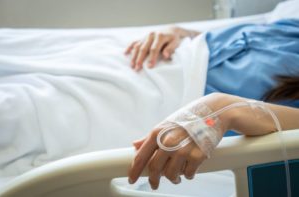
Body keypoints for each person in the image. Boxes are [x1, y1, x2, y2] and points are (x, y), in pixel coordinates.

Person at [126, 19, 299, 189]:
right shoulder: (292, 26)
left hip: (171, 109)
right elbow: (236, 40)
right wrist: (178, 32)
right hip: (153, 57)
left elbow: (229, 112)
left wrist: (221, 107)